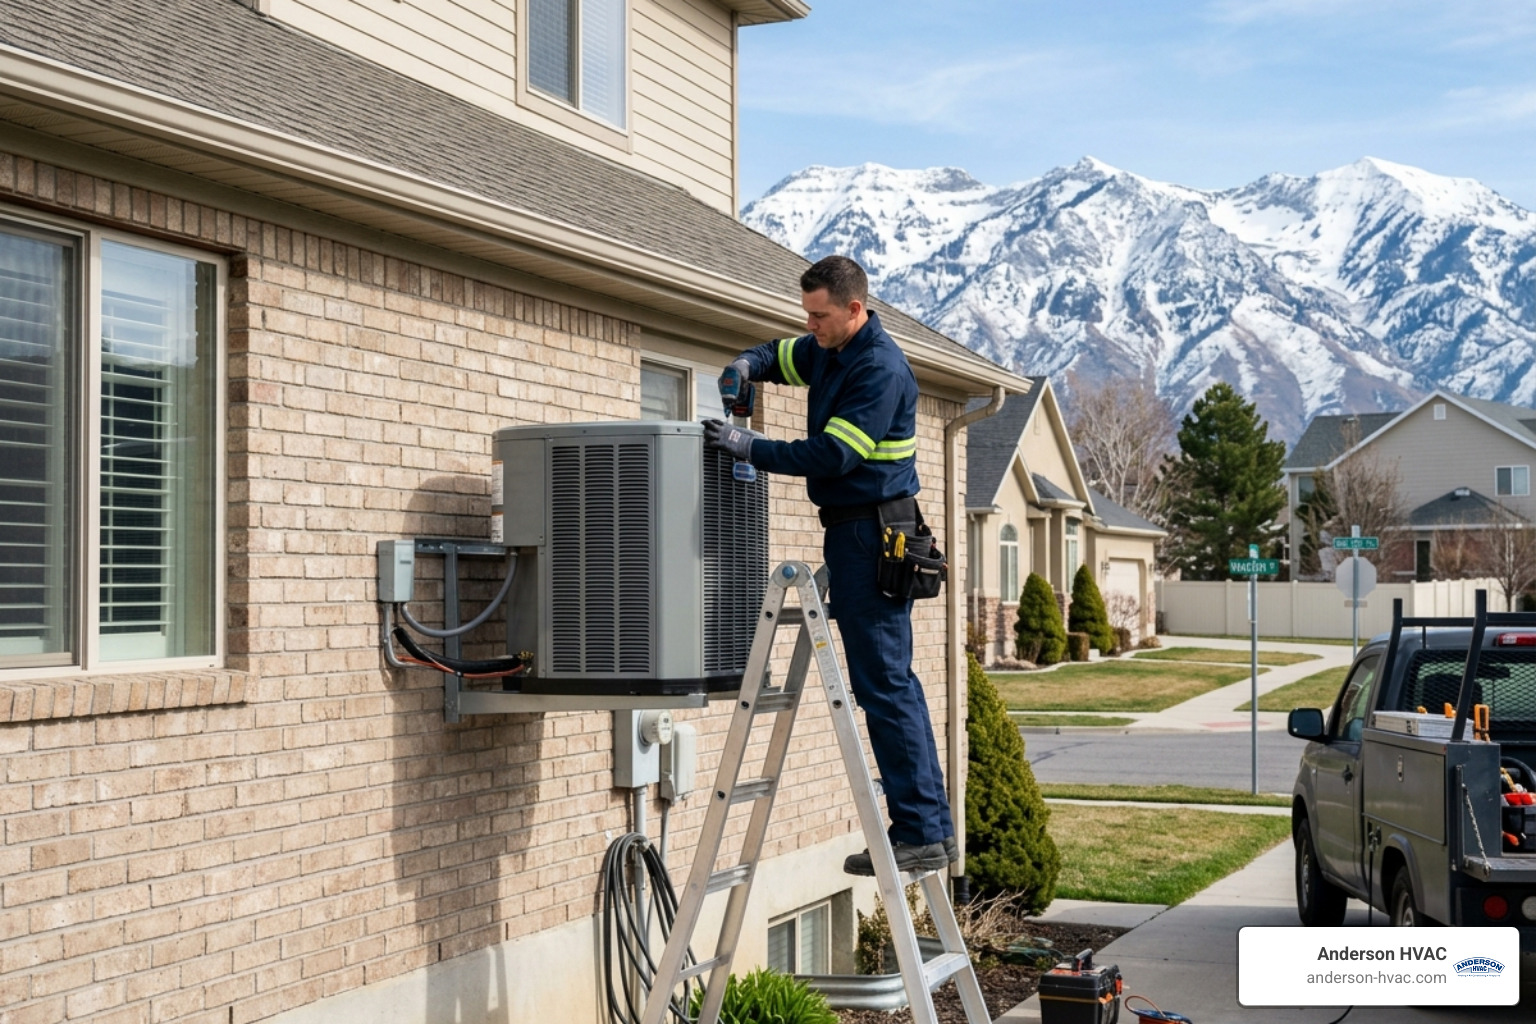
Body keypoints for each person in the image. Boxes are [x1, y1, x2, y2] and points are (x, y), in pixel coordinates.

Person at [703, 255, 956, 876]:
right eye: (806, 315)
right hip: (853, 531)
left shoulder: (879, 369)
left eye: (819, 316)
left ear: (854, 309)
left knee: (884, 686)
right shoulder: (828, 348)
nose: (809, 326)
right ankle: (930, 829)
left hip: (874, 534)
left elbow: (832, 456)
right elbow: (776, 354)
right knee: (891, 684)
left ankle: (920, 832)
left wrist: (747, 446)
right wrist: (745, 366)